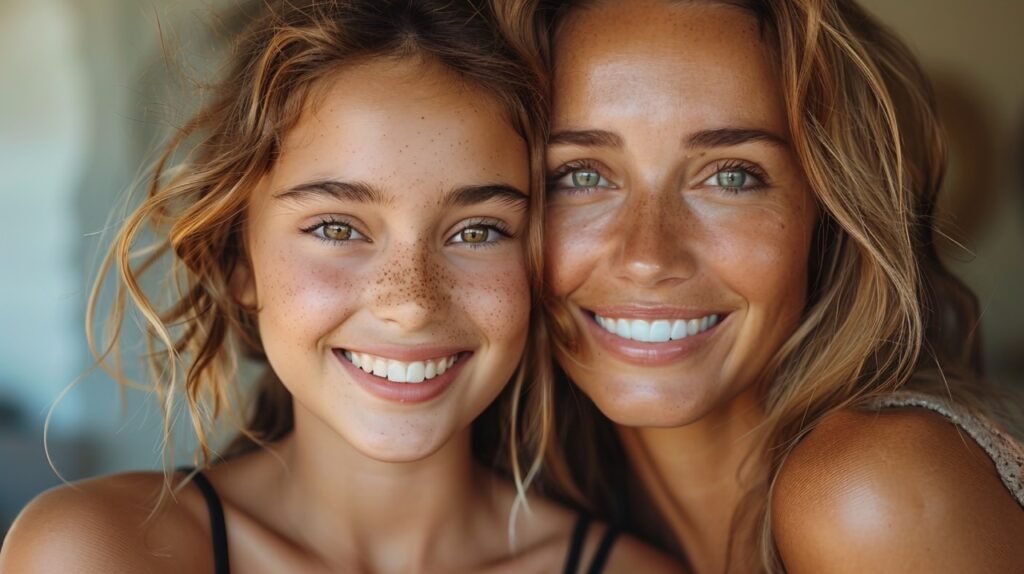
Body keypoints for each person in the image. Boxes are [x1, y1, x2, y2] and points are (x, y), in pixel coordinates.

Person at [0, 1, 681, 572]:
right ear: (240, 260)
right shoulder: (104, 553)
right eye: (336, 227)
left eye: (477, 231)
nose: (411, 303)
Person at [538, 0, 1024, 572]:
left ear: (829, 212)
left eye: (732, 175)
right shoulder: (547, 515)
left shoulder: (868, 493)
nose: (648, 258)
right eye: (581, 175)